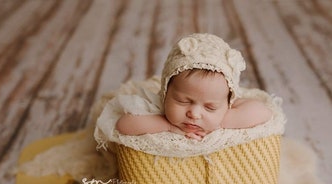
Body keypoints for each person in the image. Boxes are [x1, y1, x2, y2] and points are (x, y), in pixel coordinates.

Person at [116, 33, 272, 141]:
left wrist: (219, 122)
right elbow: (123, 124)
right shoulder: (158, 108)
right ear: (165, 92)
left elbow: (263, 112)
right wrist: (168, 126)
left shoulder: (224, 108)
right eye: (183, 101)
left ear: (228, 103)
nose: (195, 114)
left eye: (210, 107)